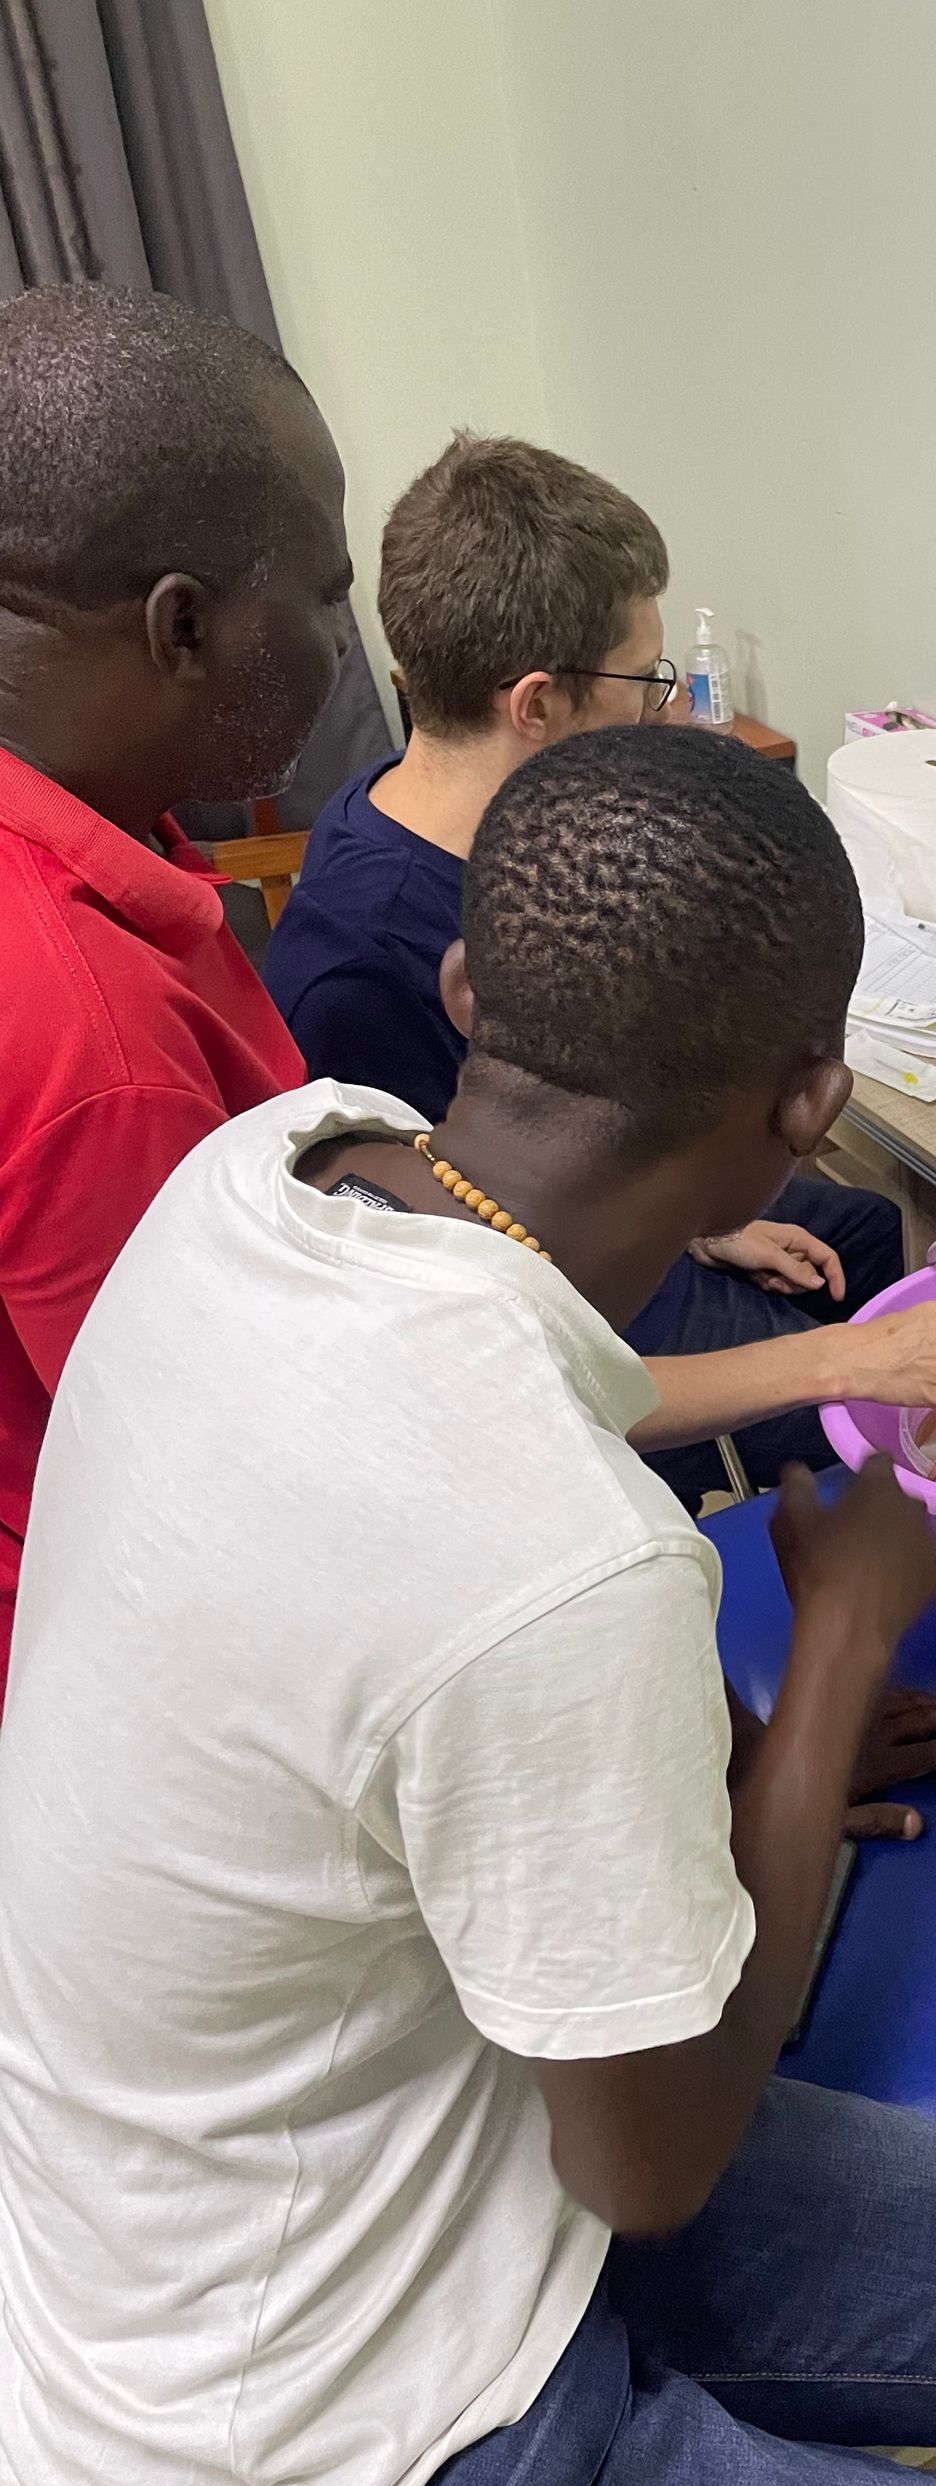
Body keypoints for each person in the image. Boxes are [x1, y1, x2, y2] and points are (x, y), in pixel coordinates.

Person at [0, 722, 936, 2486]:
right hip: (318, 2462)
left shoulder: (278, 1170)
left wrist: (739, 1766)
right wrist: (833, 1667)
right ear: (813, 1106)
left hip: (395, 2156)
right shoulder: (578, 1570)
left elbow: (495, 1482)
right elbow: (655, 2169)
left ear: (467, 990)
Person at [264, 433, 936, 1511]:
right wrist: (843, 1361)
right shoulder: (362, 974)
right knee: (858, 1393)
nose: (669, 710)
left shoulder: (422, 810)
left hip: (571, 1213)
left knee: (868, 1231)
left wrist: (706, 1221)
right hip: (531, 1324)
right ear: (536, 706)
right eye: (646, 683)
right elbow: (483, 1360)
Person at [0, 282, 355, 1693]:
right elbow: (241, 1513)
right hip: (127, 1676)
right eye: (326, 593)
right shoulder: (100, 1047)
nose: (346, 641)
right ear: (183, 628)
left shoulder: (105, 831)